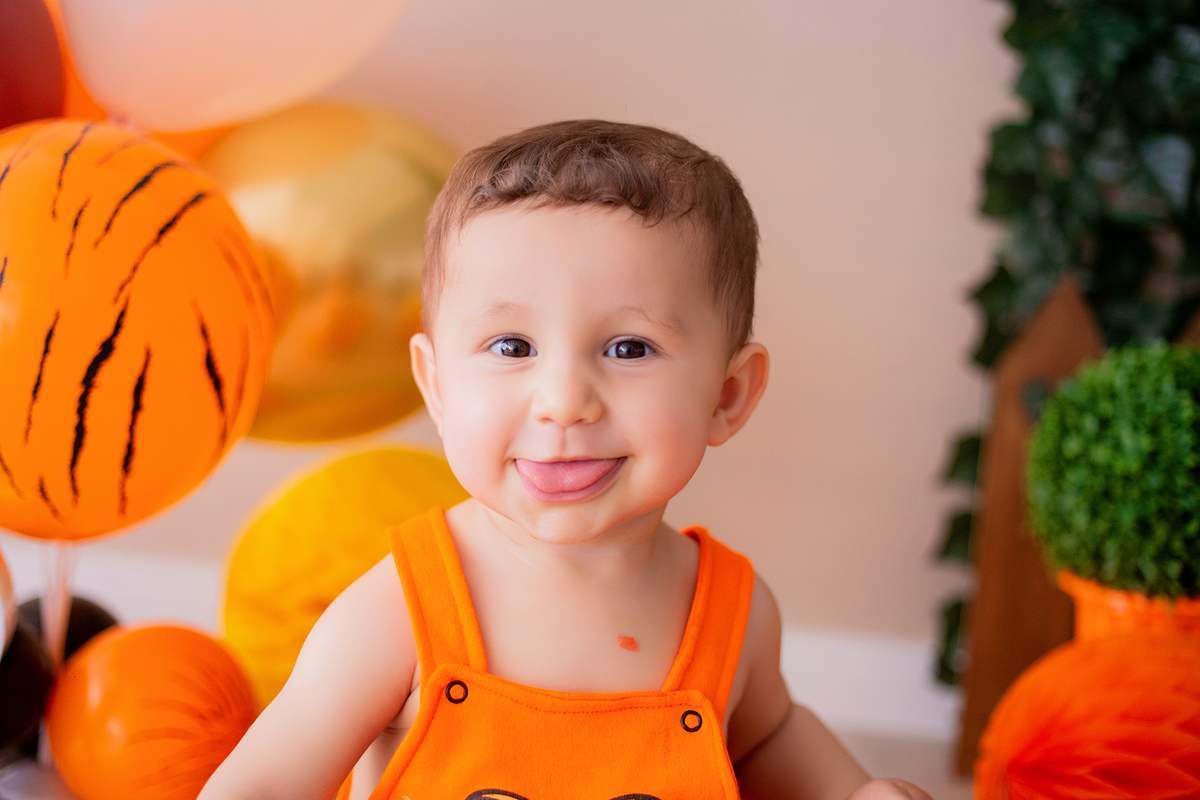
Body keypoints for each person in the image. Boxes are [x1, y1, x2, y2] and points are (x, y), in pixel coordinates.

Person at [200, 120, 935, 800]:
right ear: (437, 386)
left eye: (628, 348)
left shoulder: (734, 615)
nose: (563, 401)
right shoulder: (398, 610)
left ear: (728, 394)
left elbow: (768, 738)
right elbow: (263, 784)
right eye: (512, 347)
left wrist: (863, 795)